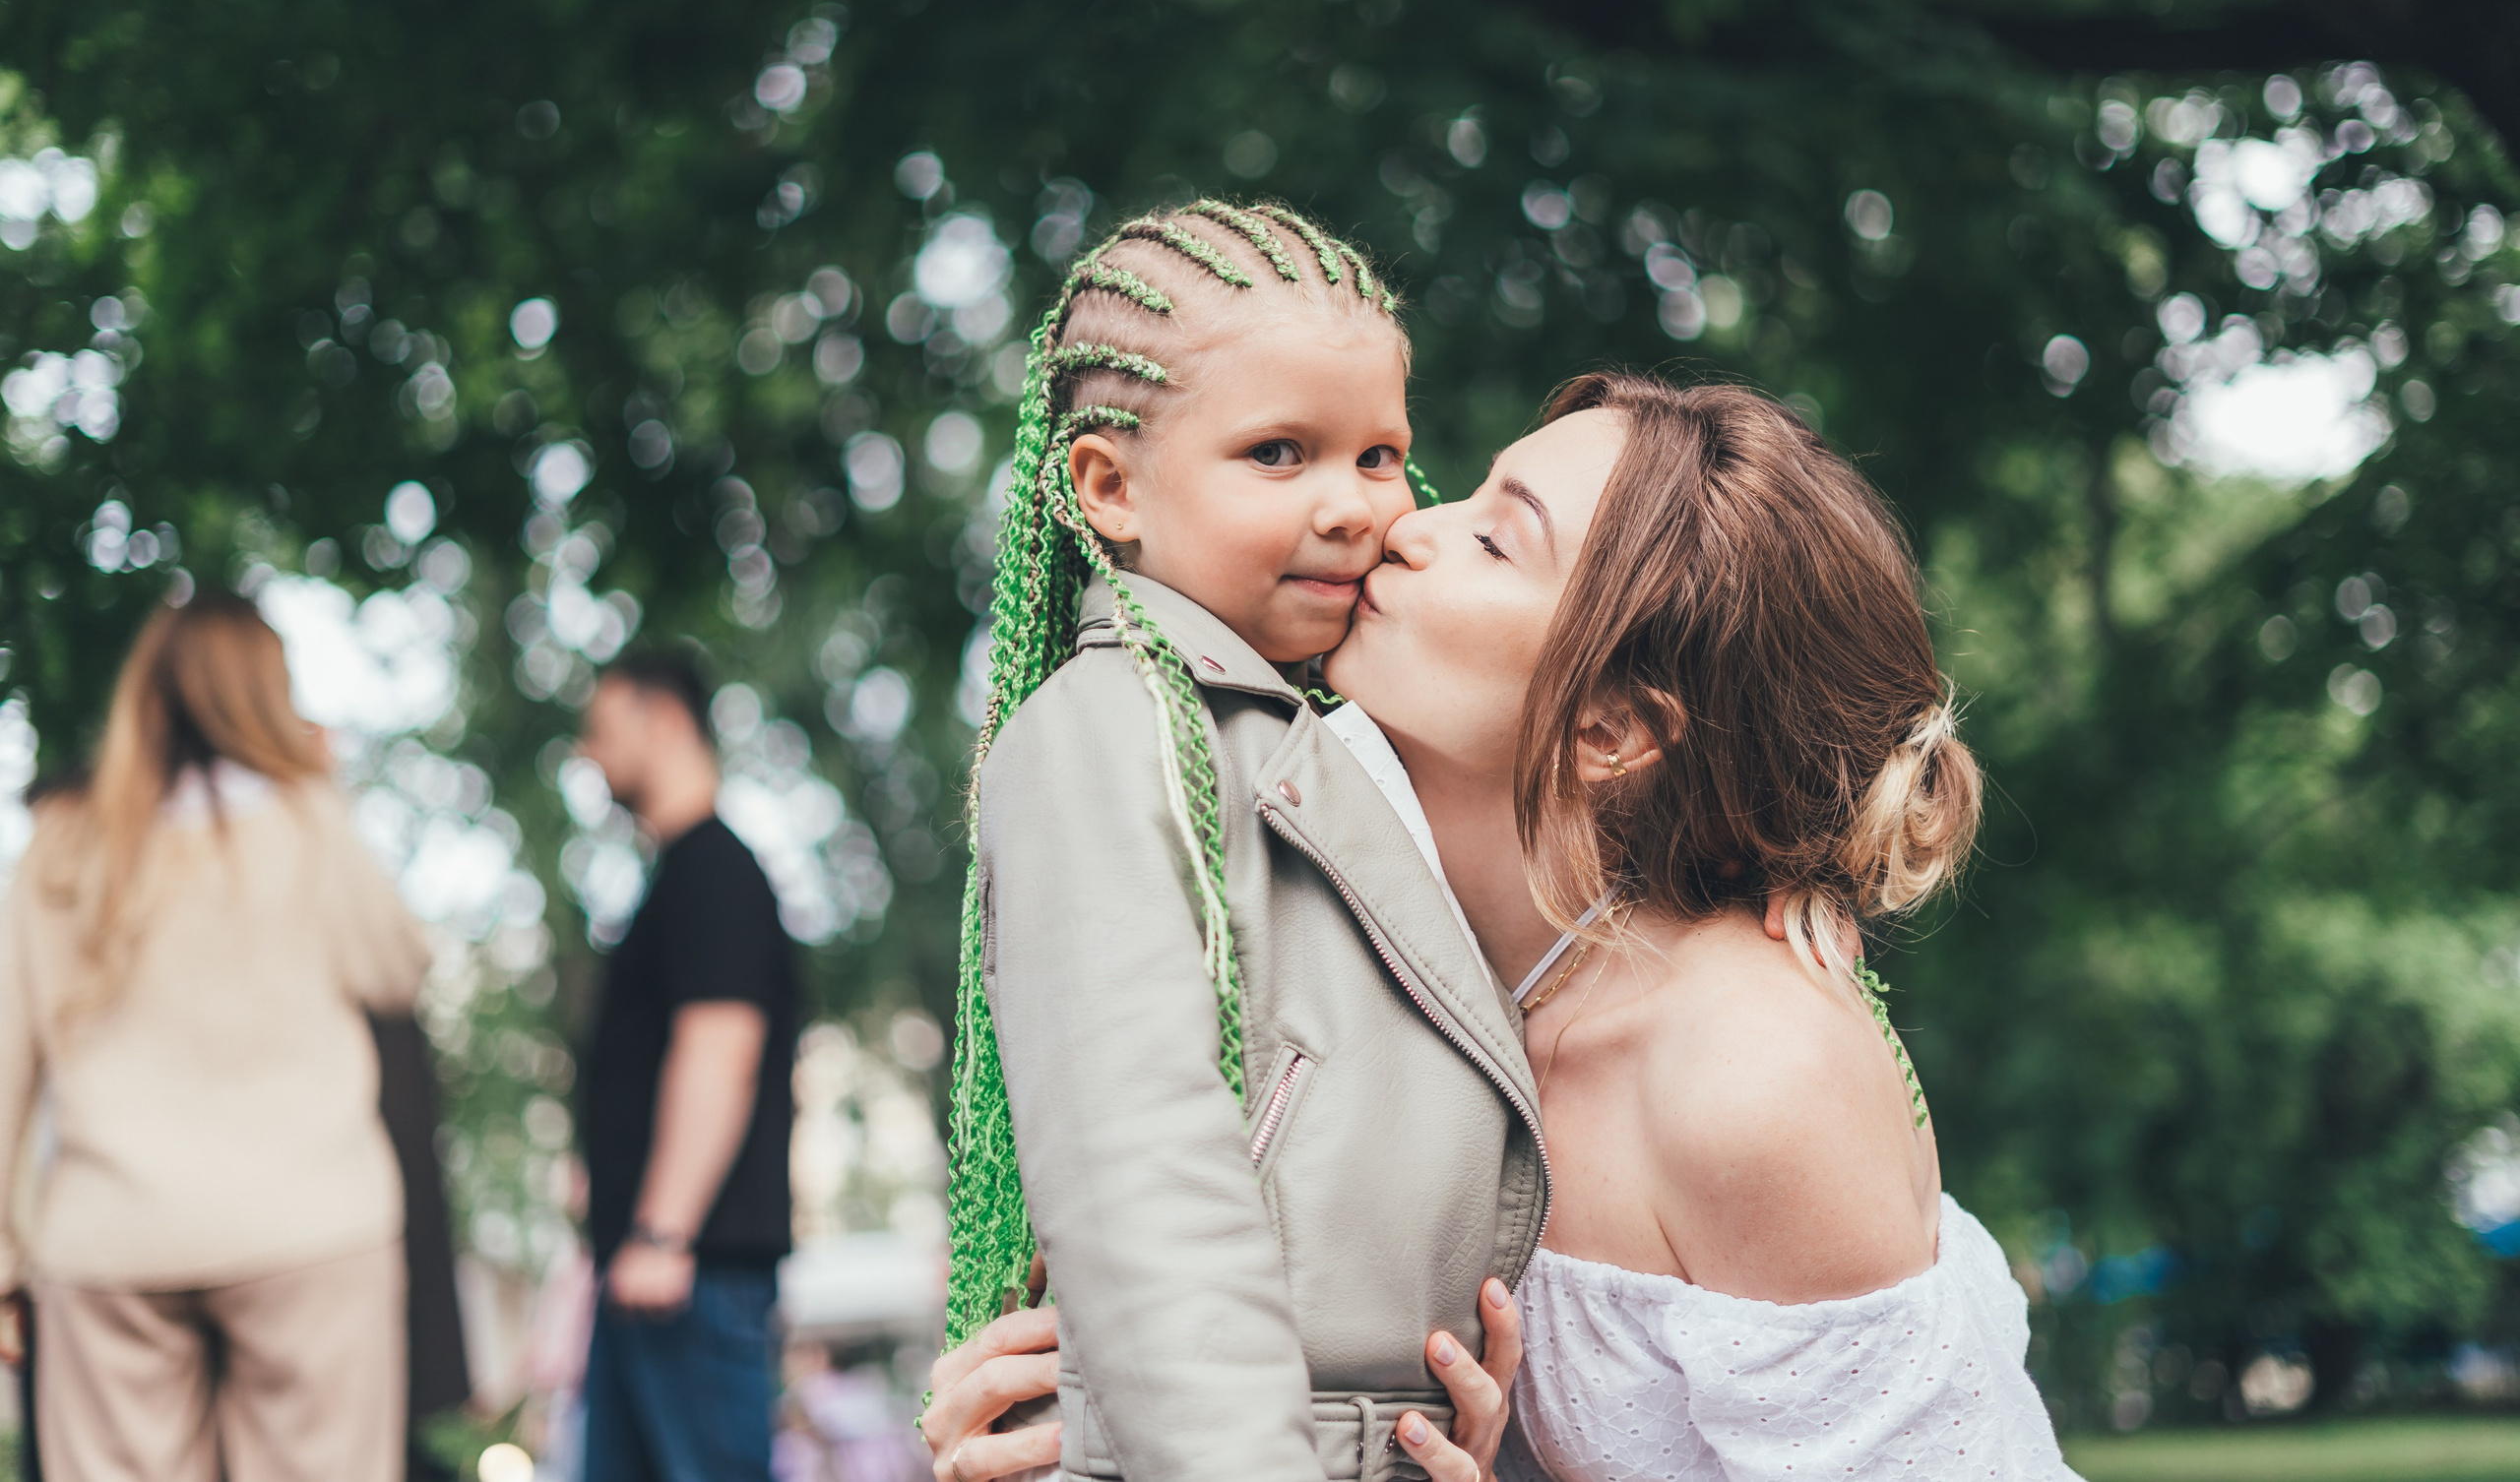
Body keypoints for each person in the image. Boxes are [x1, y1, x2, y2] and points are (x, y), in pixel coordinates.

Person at [932, 375, 2079, 1480]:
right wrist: (1031, 1420)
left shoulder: (1750, 1072)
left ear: (1610, 732)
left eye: (1494, 540)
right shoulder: (1311, 887)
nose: (1405, 526)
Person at [944, 200, 1538, 1481]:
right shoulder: (1104, 730)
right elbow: (1145, 1179)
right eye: (1279, 453)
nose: (1355, 506)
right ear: (1109, 487)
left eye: (1379, 454)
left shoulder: (1327, 742)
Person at [0, 588, 432, 1482]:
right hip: (312, 1227)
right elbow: (399, 965)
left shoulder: (60, 849)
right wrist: (323, 784)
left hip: (113, 1240)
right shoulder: (308, 824)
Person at [576, 648, 800, 1482]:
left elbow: (720, 1047)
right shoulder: (681, 876)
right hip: (653, 1273)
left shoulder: (714, 872)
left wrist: (661, 1232)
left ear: (666, 720)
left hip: (688, 1271)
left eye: (602, 729)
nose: (588, 752)